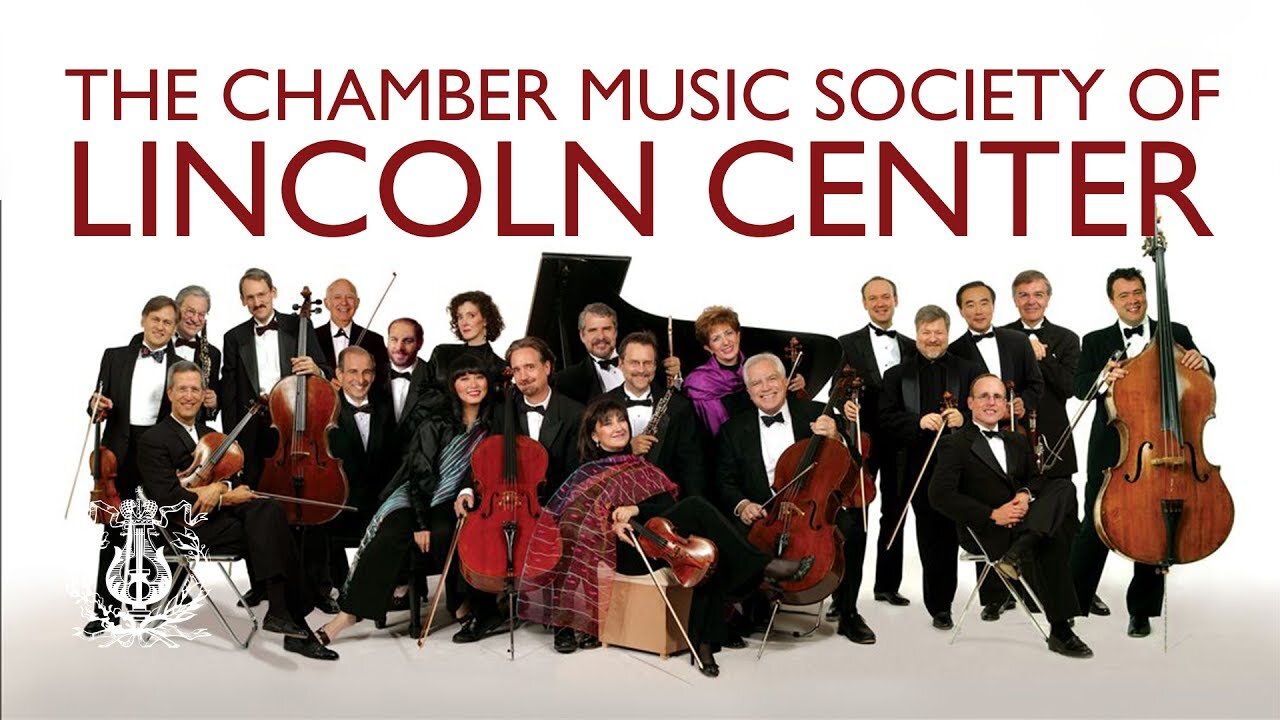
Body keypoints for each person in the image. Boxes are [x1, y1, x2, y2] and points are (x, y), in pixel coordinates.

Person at [517, 396, 810, 677]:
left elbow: (669, 506)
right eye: (608, 423)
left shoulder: (642, 466)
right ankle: (763, 568)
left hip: (659, 541)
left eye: (622, 420)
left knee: (709, 549)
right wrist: (609, 524)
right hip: (625, 552)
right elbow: (571, 524)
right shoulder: (585, 473)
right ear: (594, 435)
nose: (618, 427)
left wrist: (635, 509)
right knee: (696, 508)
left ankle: (703, 643)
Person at [134, 361, 337, 660]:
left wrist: (223, 488)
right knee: (273, 527)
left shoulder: (211, 433)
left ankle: (284, 615)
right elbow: (168, 498)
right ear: (170, 394)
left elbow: (235, 480)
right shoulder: (153, 440)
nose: (189, 396)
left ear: (204, 393)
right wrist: (222, 496)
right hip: (185, 528)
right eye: (183, 389)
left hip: (223, 523)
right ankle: (291, 620)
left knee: (267, 511)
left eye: (195, 389)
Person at [1069, 267, 1214, 638]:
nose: (1132, 300)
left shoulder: (1175, 333)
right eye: (1124, 295)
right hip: (1113, 449)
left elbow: (1205, 372)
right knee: (1095, 523)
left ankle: (1142, 612)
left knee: (1156, 524)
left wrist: (1205, 363)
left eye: (1137, 292)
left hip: (1168, 447)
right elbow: (1080, 387)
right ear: (1112, 301)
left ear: (1146, 293)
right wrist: (1103, 377)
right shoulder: (1096, 340)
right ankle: (1072, 602)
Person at [316, 355, 493, 646]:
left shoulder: (493, 424)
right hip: (417, 494)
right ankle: (346, 616)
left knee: (445, 531)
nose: (472, 385)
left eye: (478, 377)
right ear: (453, 385)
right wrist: (420, 521)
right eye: (464, 378)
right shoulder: (435, 421)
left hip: (454, 501)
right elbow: (419, 473)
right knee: (392, 529)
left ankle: (459, 603)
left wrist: (464, 493)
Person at [929, 374, 1092, 658]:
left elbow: (1038, 480)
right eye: (984, 396)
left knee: (1063, 486)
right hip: (986, 530)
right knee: (1051, 537)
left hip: (1025, 524)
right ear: (970, 403)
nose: (991, 402)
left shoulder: (1016, 441)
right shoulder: (954, 444)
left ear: (1006, 404)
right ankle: (1061, 630)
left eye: (998, 397)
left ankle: (1021, 549)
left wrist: (1025, 493)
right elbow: (940, 495)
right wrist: (993, 514)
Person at [714, 353, 871, 643]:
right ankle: (753, 608)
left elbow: (853, 463)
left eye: (772, 378)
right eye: (756, 383)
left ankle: (848, 611)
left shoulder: (815, 413)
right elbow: (725, 482)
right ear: (748, 391)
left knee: (852, 529)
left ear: (786, 381)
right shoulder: (733, 429)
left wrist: (837, 435)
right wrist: (743, 505)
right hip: (765, 510)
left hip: (812, 508)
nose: (766, 387)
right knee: (734, 532)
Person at [449, 337, 584, 643]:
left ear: (547, 367)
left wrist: (556, 506)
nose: (523, 376)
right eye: (517, 369)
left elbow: (578, 469)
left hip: (554, 499)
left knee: (570, 530)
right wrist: (466, 491)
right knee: (478, 531)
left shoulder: (575, 412)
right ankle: (485, 613)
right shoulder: (500, 411)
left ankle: (563, 619)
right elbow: (483, 459)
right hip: (506, 498)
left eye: (530, 367)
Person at [1001, 271, 1104, 616]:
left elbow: (1071, 389)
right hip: (1012, 435)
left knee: (1065, 514)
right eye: (1024, 295)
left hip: (1054, 434)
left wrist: (1044, 358)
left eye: (1038, 294)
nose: (1031, 300)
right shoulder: (1002, 337)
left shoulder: (1065, 338)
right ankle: (1006, 591)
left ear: (1048, 297)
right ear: (1015, 299)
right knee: (1009, 506)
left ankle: (1077, 587)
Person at [879, 305, 982, 630]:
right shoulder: (897, 375)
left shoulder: (967, 370)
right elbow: (885, 418)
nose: (932, 338)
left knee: (954, 535)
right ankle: (938, 605)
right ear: (917, 333)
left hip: (960, 467)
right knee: (931, 536)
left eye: (938, 332)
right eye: (926, 332)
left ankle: (970, 601)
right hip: (916, 467)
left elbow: (985, 407)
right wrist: (917, 421)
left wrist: (964, 418)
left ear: (947, 334)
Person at [82, 296, 180, 636]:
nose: (160, 326)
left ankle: (144, 607)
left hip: (157, 455)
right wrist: (96, 405)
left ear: (174, 328)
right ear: (143, 319)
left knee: (152, 533)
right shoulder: (115, 357)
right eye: (156, 319)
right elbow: (96, 405)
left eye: (168, 322)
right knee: (113, 532)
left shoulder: (180, 364)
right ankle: (105, 612)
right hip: (119, 454)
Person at [835, 275, 918, 612]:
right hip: (862, 440)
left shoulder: (912, 347)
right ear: (864, 303)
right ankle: (843, 595)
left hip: (899, 440)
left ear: (896, 300)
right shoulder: (847, 343)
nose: (881, 303)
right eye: (874, 298)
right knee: (855, 515)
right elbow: (836, 391)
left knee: (895, 512)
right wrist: (845, 406)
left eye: (886, 297)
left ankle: (887, 585)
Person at [219, 268, 331, 488]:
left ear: (273, 292)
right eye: (250, 297)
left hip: (294, 423)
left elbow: (327, 371)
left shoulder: (300, 325)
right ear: (242, 300)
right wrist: (231, 441)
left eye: (262, 294)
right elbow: (229, 392)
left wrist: (317, 370)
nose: (257, 302)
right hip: (252, 426)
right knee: (253, 487)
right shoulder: (233, 337)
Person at [319, 346, 400, 612]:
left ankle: (381, 588)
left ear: (375, 375)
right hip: (340, 503)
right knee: (315, 524)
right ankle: (341, 590)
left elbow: (393, 463)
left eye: (367, 372)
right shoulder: (324, 411)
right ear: (339, 375)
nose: (361, 379)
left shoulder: (386, 409)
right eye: (352, 371)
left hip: (377, 503)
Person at [605, 331, 709, 498]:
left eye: (647, 363)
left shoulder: (678, 406)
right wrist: (627, 449)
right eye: (634, 363)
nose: (641, 370)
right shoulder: (601, 405)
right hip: (615, 501)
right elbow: (590, 458)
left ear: (655, 366)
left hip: (666, 503)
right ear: (621, 363)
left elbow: (692, 466)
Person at [682, 305, 804, 437]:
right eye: (716, 338)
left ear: (738, 336)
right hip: (720, 449)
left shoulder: (759, 367)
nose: (726, 342)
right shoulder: (699, 382)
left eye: (729, 333)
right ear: (708, 348)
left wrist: (796, 387)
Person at [132, 286, 220, 424]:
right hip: (149, 427)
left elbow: (209, 413)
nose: (196, 319)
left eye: (202, 314)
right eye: (190, 311)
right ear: (176, 310)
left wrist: (213, 404)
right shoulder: (143, 339)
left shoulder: (212, 354)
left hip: (188, 434)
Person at [421, 291, 507, 410]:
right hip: (432, 424)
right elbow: (421, 391)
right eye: (460, 317)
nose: (464, 322)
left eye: (471, 315)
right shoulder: (442, 353)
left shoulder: (499, 366)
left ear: (485, 320)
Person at [314, 278, 391, 395]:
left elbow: (383, 383)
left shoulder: (374, 340)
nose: (344, 303)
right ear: (326, 303)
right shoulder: (312, 337)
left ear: (357, 302)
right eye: (337, 297)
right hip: (322, 407)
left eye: (349, 297)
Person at [553, 302, 625, 404]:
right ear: (582, 336)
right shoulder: (566, 380)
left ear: (615, 332)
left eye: (606, 329)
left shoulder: (645, 365)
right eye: (593, 330)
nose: (601, 337)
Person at [385, 317, 436, 444]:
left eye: (407, 341)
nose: (399, 347)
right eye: (394, 339)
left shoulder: (433, 377)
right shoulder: (369, 374)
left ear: (420, 343)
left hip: (417, 459)